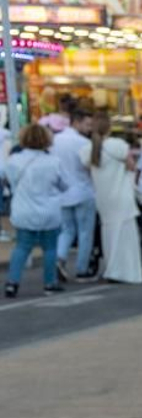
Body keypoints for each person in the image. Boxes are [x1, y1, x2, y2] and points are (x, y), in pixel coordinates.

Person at [4, 122, 69, 298]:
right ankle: (49, 283)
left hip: (24, 210)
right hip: (49, 211)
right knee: (50, 249)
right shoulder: (54, 162)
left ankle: (12, 283)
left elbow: (6, 179)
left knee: (22, 247)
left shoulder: (14, 161)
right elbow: (65, 185)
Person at [86, 113, 142, 284]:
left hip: (103, 197)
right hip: (121, 195)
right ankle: (125, 270)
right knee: (125, 235)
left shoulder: (89, 149)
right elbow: (132, 166)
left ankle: (112, 268)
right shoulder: (117, 145)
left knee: (108, 233)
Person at [52, 106, 96, 280]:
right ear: (76, 122)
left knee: (66, 230)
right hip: (83, 191)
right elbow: (90, 167)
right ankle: (81, 269)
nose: (89, 128)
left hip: (62, 193)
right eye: (87, 124)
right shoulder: (84, 143)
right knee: (85, 233)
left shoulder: (55, 140)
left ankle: (60, 259)